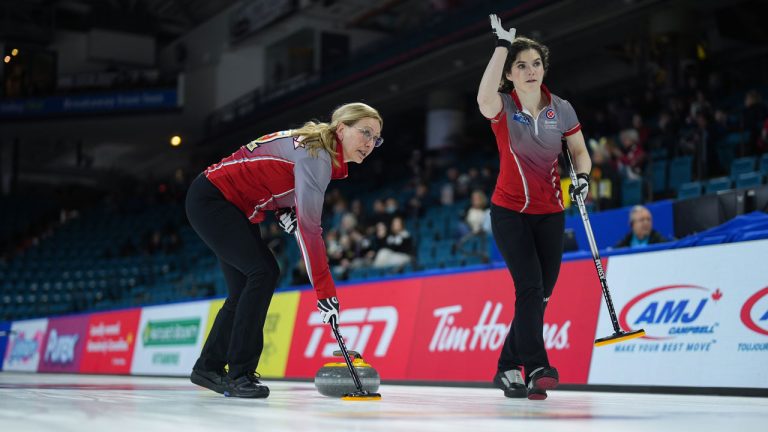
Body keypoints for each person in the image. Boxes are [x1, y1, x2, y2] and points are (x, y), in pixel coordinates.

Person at [185, 102, 383, 398]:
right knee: (263, 272)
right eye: (365, 132)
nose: (369, 143)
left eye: (376, 138)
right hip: (215, 200)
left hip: (232, 204)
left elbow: (270, 175)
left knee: (244, 285)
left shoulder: (317, 148)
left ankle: (208, 367)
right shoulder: (317, 158)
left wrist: (283, 210)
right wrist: (325, 294)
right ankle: (239, 374)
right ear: (341, 129)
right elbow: (310, 232)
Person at [477, 15, 591, 400]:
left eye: (536, 64)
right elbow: (482, 97)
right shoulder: (503, 107)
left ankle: (506, 367)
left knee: (539, 296)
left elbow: (580, 154)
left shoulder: (562, 108)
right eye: (521, 65)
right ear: (509, 74)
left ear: (544, 68)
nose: (530, 71)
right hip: (509, 212)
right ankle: (537, 365)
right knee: (529, 286)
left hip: (550, 213)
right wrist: (500, 46)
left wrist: (584, 178)